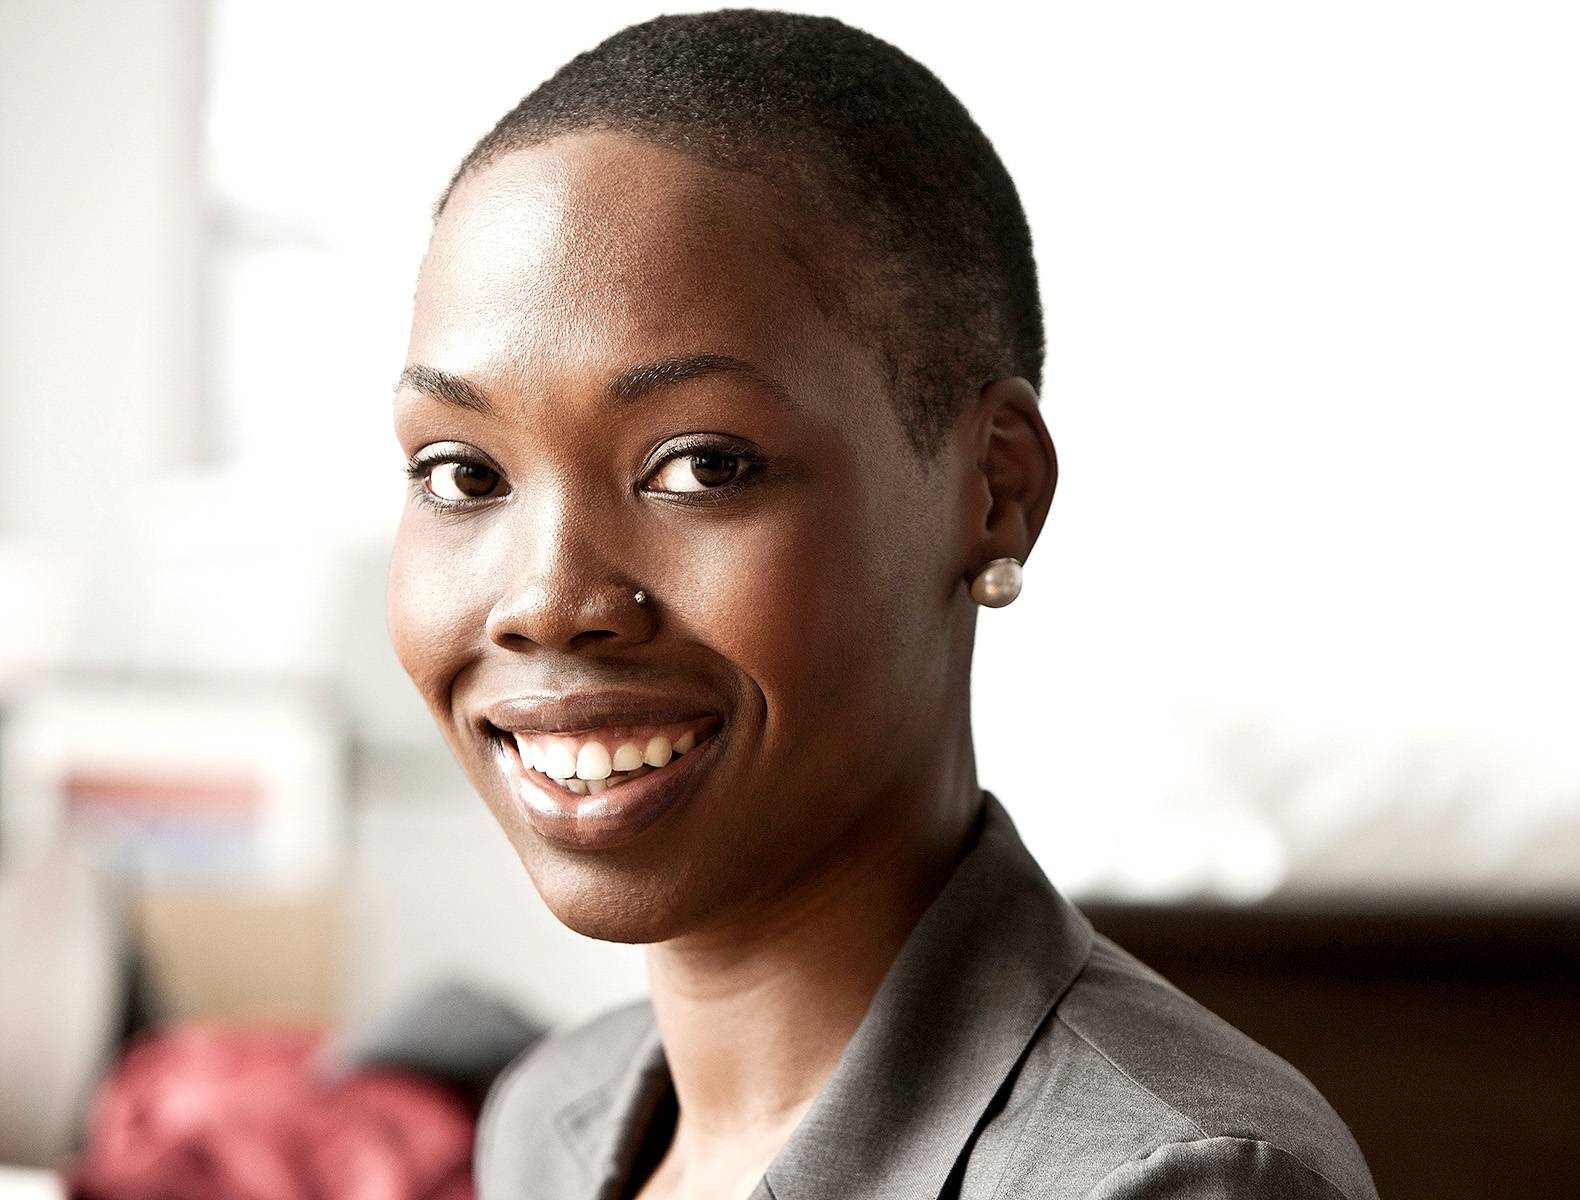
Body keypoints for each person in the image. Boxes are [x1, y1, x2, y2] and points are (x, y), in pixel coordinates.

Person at [386, 9, 1377, 1199]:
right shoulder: (549, 1120)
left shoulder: (1170, 1179)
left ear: (993, 491)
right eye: (464, 474)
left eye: (704, 465)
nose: (548, 602)